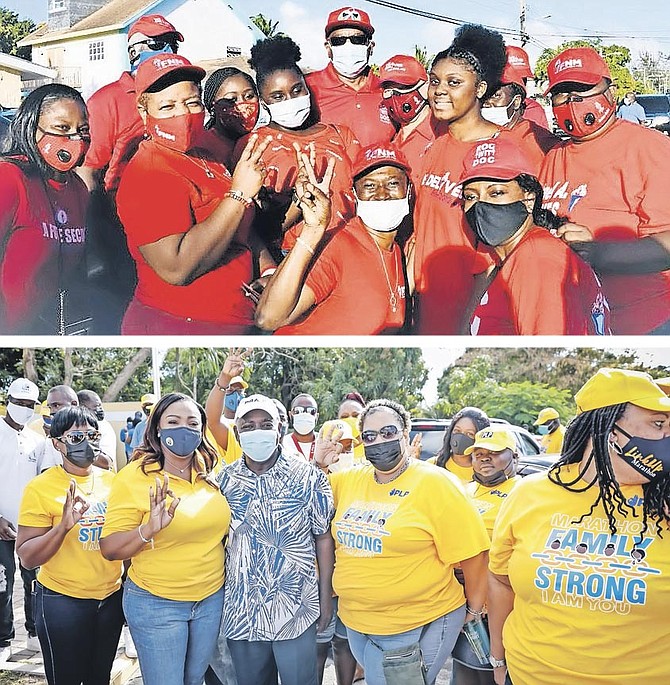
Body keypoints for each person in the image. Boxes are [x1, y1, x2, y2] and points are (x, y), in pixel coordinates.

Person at [488, 368, 670, 685]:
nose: (667, 437)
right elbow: (501, 581)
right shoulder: (528, 493)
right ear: (609, 431)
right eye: (659, 424)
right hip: (528, 675)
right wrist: (498, 657)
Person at [315, 399, 490, 685]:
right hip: (357, 623)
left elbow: (474, 554)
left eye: (388, 432)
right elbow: (311, 504)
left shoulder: (436, 483)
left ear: (405, 436)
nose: (379, 441)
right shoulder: (348, 480)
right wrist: (319, 464)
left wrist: (474, 608)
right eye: (370, 436)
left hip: (416, 622)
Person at [116, 54, 273, 334]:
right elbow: (176, 268)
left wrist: (269, 271)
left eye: (191, 103)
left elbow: (241, 226)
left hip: (238, 316)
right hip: (180, 324)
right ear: (144, 111)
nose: (183, 115)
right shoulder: (148, 171)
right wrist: (238, 195)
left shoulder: (204, 155)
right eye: (167, 106)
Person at [100, 392, 231, 685]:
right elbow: (109, 549)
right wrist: (147, 530)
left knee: (194, 679)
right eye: (173, 421)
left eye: (192, 422)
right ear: (157, 428)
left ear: (201, 430)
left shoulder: (212, 471)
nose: (183, 428)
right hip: (157, 602)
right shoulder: (135, 476)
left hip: (210, 599)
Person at [539, 46, 670, 334]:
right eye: (562, 93)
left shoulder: (648, 147)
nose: (573, 101)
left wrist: (597, 253)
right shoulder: (553, 156)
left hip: (642, 324)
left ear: (609, 94)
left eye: (583, 89)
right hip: (579, 320)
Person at [78, 14, 185, 333]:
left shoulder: (179, 93)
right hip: (119, 228)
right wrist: (93, 241)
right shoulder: (107, 99)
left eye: (173, 44)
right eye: (160, 45)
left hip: (175, 221)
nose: (169, 51)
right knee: (119, 312)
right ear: (137, 51)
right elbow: (90, 171)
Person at [218, 394, 334, 685]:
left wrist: (325, 597)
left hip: (295, 610)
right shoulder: (222, 481)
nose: (258, 431)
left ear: (280, 428)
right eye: (249, 425)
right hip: (242, 612)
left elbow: (323, 538)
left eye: (266, 424)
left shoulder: (308, 477)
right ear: (237, 432)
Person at [16, 405, 124, 685]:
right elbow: (27, 557)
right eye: (76, 437)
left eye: (92, 435)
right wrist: (62, 527)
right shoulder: (41, 487)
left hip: (109, 600)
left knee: (99, 678)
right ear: (57, 444)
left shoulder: (114, 482)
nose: (87, 443)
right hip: (62, 602)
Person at [410, 24, 507, 334]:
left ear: (479, 89)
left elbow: (495, 254)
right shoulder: (436, 145)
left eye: (454, 83)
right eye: (434, 81)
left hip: (465, 309)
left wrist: (467, 321)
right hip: (426, 302)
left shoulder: (499, 152)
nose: (440, 91)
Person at [461, 137, 611, 335]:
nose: (481, 205)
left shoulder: (535, 259)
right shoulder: (523, 253)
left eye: (496, 193)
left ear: (529, 199)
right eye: (471, 196)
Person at [255, 143, 410, 334]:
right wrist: (313, 229)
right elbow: (267, 318)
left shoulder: (397, 252)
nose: (382, 194)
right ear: (355, 195)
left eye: (393, 183)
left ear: (408, 191)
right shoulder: (338, 245)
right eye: (369, 186)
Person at [235, 34, 359, 252]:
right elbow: (251, 228)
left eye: (296, 90)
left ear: (306, 87)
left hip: (350, 248)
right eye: (278, 96)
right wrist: (296, 202)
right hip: (293, 255)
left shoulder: (341, 135)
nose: (291, 100)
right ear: (264, 101)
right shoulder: (252, 146)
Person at [0, 84, 91, 334]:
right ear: (32, 128)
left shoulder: (78, 188)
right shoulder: (9, 178)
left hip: (48, 329)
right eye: (63, 128)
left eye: (83, 130)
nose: (76, 139)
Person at [451, 425, 521, 685]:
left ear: (514, 456)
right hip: (459, 601)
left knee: (495, 675)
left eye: (493, 452)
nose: (484, 458)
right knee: (463, 672)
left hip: (499, 605)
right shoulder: (463, 490)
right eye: (478, 453)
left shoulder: (523, 493)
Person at [0, 378, 49, 661]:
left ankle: (34, 635)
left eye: (30, 405)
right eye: (19, 403)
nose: (24, 408)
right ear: (8, 400)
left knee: (35, 584)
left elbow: (42, 481)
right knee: (4, 584)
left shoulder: (37, 441)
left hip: (31, 528)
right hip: (1, 526)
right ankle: (4, 640)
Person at [306, 7, 396, 147]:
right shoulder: (308, 88)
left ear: (370, 47)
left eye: (357, 39)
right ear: (328, 48)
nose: (348, 45)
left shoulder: (388, 90)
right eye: (339, 40)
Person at [481, 49, 559, 169]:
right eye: (484, 96)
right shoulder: (475, 133)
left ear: (516, 101)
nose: (487, 103)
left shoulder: (540, 141)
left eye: (496, 96)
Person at [379, 55, 439, 181]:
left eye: (403, 87)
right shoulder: (392, 141)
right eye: (388, 89)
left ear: (425, 87)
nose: (395, 95)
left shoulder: (442, 134)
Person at [202, 67, 263, 170]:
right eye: (231, 99)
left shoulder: (262, 141)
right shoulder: (204, 148)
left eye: (249, 96)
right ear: (213, 105)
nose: (243, 105)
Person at [434, 407, 491, 484]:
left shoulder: (487, 471)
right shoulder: (433, 465)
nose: (461, 438)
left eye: (470, 434)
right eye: (457, 431)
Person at [503, 45, 549, 129]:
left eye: (522, 79)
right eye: (510, 81)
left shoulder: (534, 109)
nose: (519, 85)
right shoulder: (479, 108)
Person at [77, 389, 117, 469]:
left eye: (100, 406)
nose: (100, 410)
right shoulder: (71, 426)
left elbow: (106, 463)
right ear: (82, 407)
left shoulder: (103, 426)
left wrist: (76, 451)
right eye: (96, 406)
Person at [281, 393, 320, 461]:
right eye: (298, 411)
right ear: (290, 415)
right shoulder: (283, 444)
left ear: (317, 416)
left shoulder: (325, 443)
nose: (304, 415)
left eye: (311, 411)